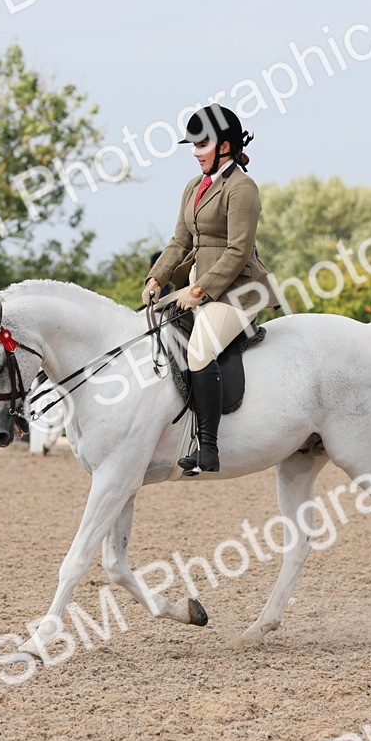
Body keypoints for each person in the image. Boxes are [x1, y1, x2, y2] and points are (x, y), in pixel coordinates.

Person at [142, 104, 280, 475]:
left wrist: (201, 289)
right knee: (151, 329)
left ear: (225, 146)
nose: (195, 151)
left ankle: (207, 447)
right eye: (194, 144)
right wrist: (157, 278)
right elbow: (179, 240)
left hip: (238, 291)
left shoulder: (242, 188)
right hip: (197, 286)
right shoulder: (194, 186)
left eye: (202, 144)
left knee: (200, 349)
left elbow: (238, 251)